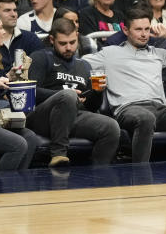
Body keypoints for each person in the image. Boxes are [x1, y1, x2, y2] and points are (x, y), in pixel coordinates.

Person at [83, 7, 166, 163]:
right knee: (146, 117)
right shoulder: (109, 53)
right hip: (129, 110)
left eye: (147, 29)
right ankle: (140, 172)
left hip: (160, 111)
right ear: (125, 30)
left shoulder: (157, 53)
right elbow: (80, 63)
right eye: (138, 29)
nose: (144, 34)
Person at [26, 18, 121, 166]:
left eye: (72, 42)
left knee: (111, 127)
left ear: (77, 36)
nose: (69, 48)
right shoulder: (40, 57)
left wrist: (97, 92)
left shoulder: (84, 65)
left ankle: (100, 174)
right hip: (43, 116)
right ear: (52, 39)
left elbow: (91, 107)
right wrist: (64, 96)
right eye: (63, 43)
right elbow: (30, 92)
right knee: (68, 95)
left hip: (73, 115)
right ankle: (58, 154)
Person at [0, 12, 40, 170]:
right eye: (0, 28)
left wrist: (9, 77)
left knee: (30, 138)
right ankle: (1, 189)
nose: (4, 32)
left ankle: (19, 184)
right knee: (18, 145)